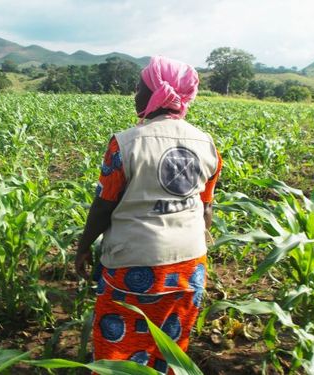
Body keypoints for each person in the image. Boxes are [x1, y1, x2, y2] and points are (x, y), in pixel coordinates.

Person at [75, 55, 222, 374]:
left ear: (157, 91)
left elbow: (103, 205)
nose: (135, 95)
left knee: (119, 348)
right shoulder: (206, 143)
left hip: (135, 265)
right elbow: (206, 207)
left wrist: (83, 246)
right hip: (189, 265)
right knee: (170, 345)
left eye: (139, 87)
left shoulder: (125, 143)